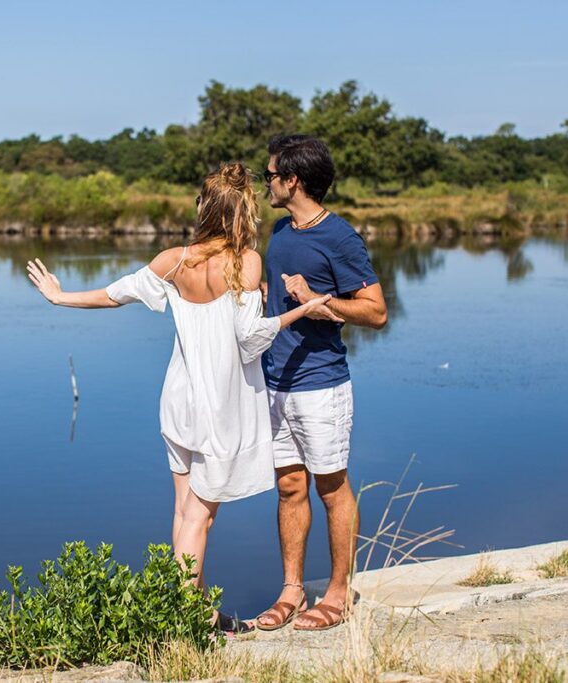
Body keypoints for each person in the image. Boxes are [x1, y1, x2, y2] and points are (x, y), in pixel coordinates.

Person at [26, 162, 338, 633]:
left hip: (178, 399)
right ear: (242, 213)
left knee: (182, 511)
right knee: (199, 519)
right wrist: (303, 311)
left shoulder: (173, 260)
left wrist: (60, 296)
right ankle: (187, 617)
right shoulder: (246, 263)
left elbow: (116, 295)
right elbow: (250, 339)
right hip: (219, 407)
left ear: (206, 210)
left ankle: (197, 612)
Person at [255, 135, 388, 632]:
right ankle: (292, 589)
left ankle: (337, 592)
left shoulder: (340, 238)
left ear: (293, 180)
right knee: (289, 487)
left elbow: (375, 312)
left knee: (331, 488)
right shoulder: (280, 231)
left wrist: (319, 298)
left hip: (321, 384)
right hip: (275, 382)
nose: (265, 182)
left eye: (270, 175)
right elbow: (276, 301)